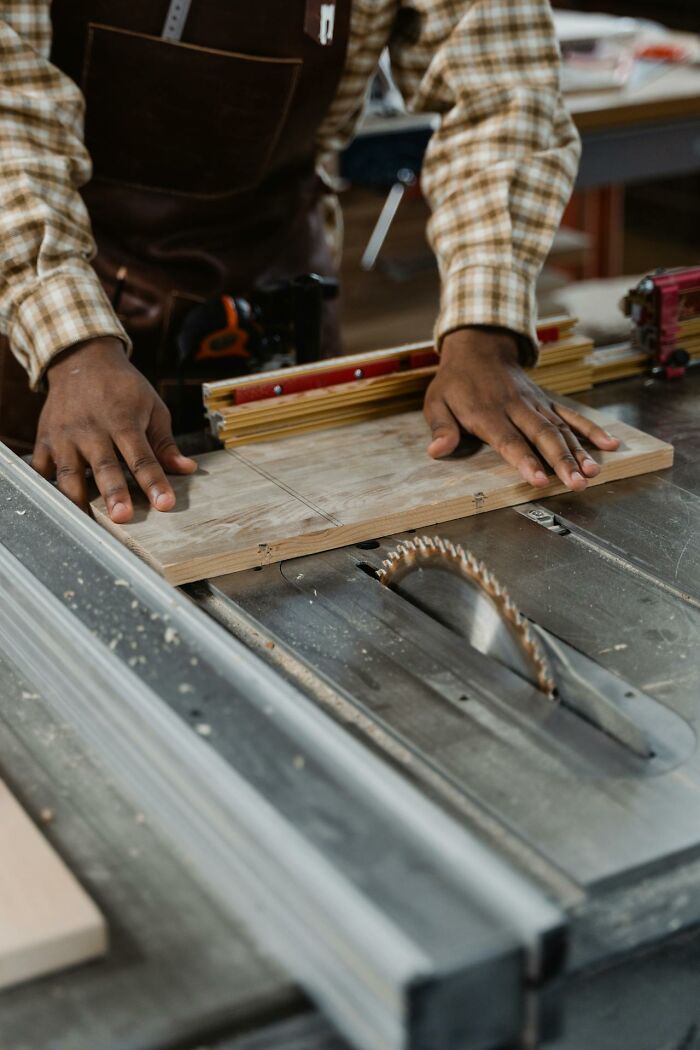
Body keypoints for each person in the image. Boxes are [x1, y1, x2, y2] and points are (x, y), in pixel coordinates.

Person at [0, 0, 619, 524]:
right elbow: (10, 122)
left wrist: (485, 329)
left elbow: (503, 100)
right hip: (44, 297)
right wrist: (73, 348)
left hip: (274, 284)